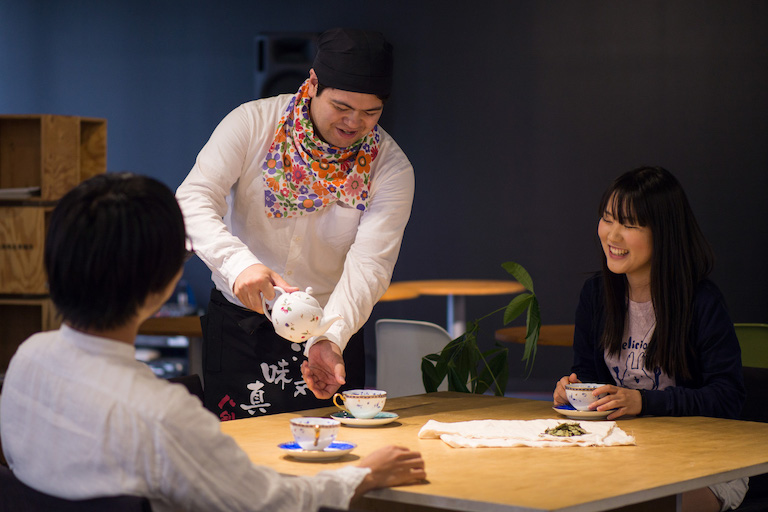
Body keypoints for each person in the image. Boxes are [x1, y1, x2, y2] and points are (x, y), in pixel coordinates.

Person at [0, 173, 426, 512]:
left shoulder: (26, 362)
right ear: (163, 285)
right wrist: (363, 475)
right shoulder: (162, 415)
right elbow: (268, 503)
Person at [175, 28, 414, 420]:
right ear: (313, 82)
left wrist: (330, 337)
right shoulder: (252, 124)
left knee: (337, 458)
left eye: (370, 112)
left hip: (330, 330)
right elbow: (192, 199)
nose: (354, 123)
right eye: (341, 106)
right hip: (241, 326)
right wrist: (239, 265)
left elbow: (369, 266)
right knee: (240, 461)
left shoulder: (389, 167)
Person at [553, 166, 747, 512]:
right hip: (623, 451)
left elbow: (727, 397)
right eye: (607, 219)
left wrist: (644, 403)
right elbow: (589, 375)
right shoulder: (595, 295)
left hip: (702, 459)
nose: (613, 235)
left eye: (629, 224)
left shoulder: (700, 301)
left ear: (664, 233)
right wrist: (575, 391)